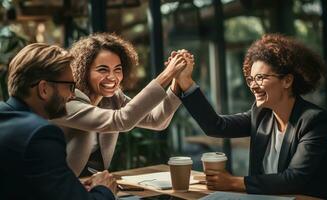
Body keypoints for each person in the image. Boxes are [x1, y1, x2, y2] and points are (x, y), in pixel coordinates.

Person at [175, 34, 327, 198]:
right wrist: (186, 82)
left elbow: (294, 178)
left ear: (287, 81)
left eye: (260, 78)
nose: (253, 86)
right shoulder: (261, 115)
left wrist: (233, 182)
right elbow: (216, 125)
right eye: (251, 80)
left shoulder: (313, 120)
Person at [52, 33, 192, 176]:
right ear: (83, 71)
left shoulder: (112, 98)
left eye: (117, 69)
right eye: (103, 70)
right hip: (63, 188)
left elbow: (156, 120)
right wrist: (167, 74)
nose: (112, 77)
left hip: (95, 186)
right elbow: (122, 120)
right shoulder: (67, 101)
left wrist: (177, 78)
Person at [0, 43, 117, 199]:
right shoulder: (39, 134)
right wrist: (104, 190)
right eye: (70, 86)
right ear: (44, 89)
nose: (73, 95)